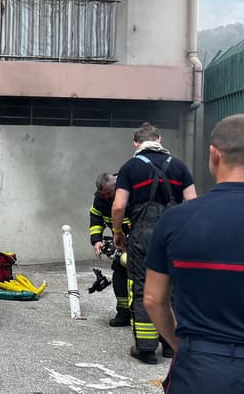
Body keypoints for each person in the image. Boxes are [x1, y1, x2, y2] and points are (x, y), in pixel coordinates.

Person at [144, 114, 244, 392]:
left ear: (214, 155)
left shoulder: (176, 220)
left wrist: (182, 347)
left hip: (200, 368)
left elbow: (153, 299)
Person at [112, 122, 196, 364]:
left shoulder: (130, 167)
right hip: (176, 234)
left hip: (143, 235)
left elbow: (118, 205)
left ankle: (146, 349)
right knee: (174, 288)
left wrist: (118, 232)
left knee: (142, 287)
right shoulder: (179, 166)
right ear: (159, 140)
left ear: (136, 144)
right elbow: (192, 202)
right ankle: (170, 346)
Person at [89, 172, 131, 327]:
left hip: (140, 239)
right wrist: (97, 241)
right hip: (120, 240)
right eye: (103, 193)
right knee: (119, 273)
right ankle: (124, 313)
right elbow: (96, 219)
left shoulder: (130, 192)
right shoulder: (100, 200)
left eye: (109, 193)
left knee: (141, 277)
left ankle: (144, 315)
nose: (106, 197)